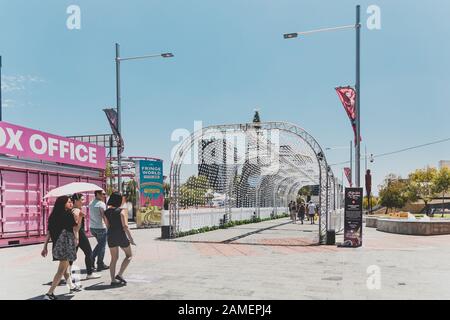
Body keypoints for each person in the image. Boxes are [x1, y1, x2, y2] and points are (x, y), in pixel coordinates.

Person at [41, 196, 81, 300]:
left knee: (65, 267)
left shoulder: (52, 216)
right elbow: (76, 228)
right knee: (61, 269)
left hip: (57, 245)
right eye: (68, 202)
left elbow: (49, 233)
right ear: (63, 204)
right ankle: (50, 293)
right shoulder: (68, 214)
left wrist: (45, 247)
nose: (71, 203)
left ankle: (71, 286)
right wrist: (80, 216)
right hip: (66, 244)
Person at [104, 192, 136, 286]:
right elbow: (125, 226)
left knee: (114, 259)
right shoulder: (122, 211)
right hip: (121, 235)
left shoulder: (106, 212)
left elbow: (107, 225)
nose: (123, 200)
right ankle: (120, 274)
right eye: (122, 199)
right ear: (119, 200)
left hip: (111, 235)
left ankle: (113, 280)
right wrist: (131, 239)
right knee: (129, 255)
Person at [71, 193, 101, 280]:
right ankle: (89, 273)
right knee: (89, 253)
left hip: (76, 234)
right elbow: (77, 227)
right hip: (79, 233)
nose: (83, 202)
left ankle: (65, 273)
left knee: (72, 255)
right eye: (82, 200)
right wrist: (77, 237)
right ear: (76, 201)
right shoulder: (76, 211)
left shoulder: (73, 209)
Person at [89, 190, 109, 271]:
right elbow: (103, 216)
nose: (104, 195)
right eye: (103, 194)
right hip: (101, 228)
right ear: (97, 194)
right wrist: (108, 226)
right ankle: (99, 263)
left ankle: (92, 260)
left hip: (93, 228)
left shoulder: (91, 203)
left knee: (100, 245)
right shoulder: (101, 204)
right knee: (102, 247)